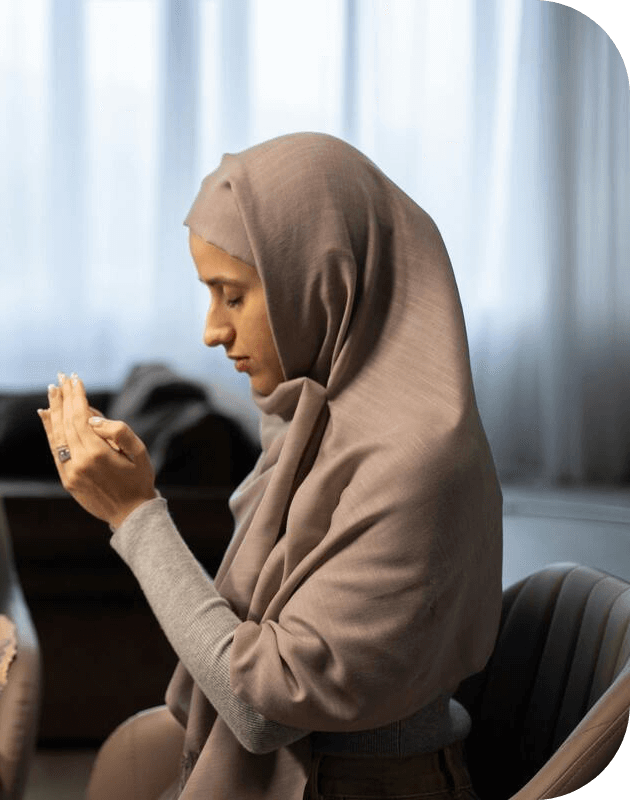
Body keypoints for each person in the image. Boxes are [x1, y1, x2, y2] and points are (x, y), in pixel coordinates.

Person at [40, 133, 502, 799]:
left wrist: (134, 515)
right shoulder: (317, 422)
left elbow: (267, 707)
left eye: (232, 295)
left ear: (320, 278)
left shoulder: (416, 466)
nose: (212, 329)